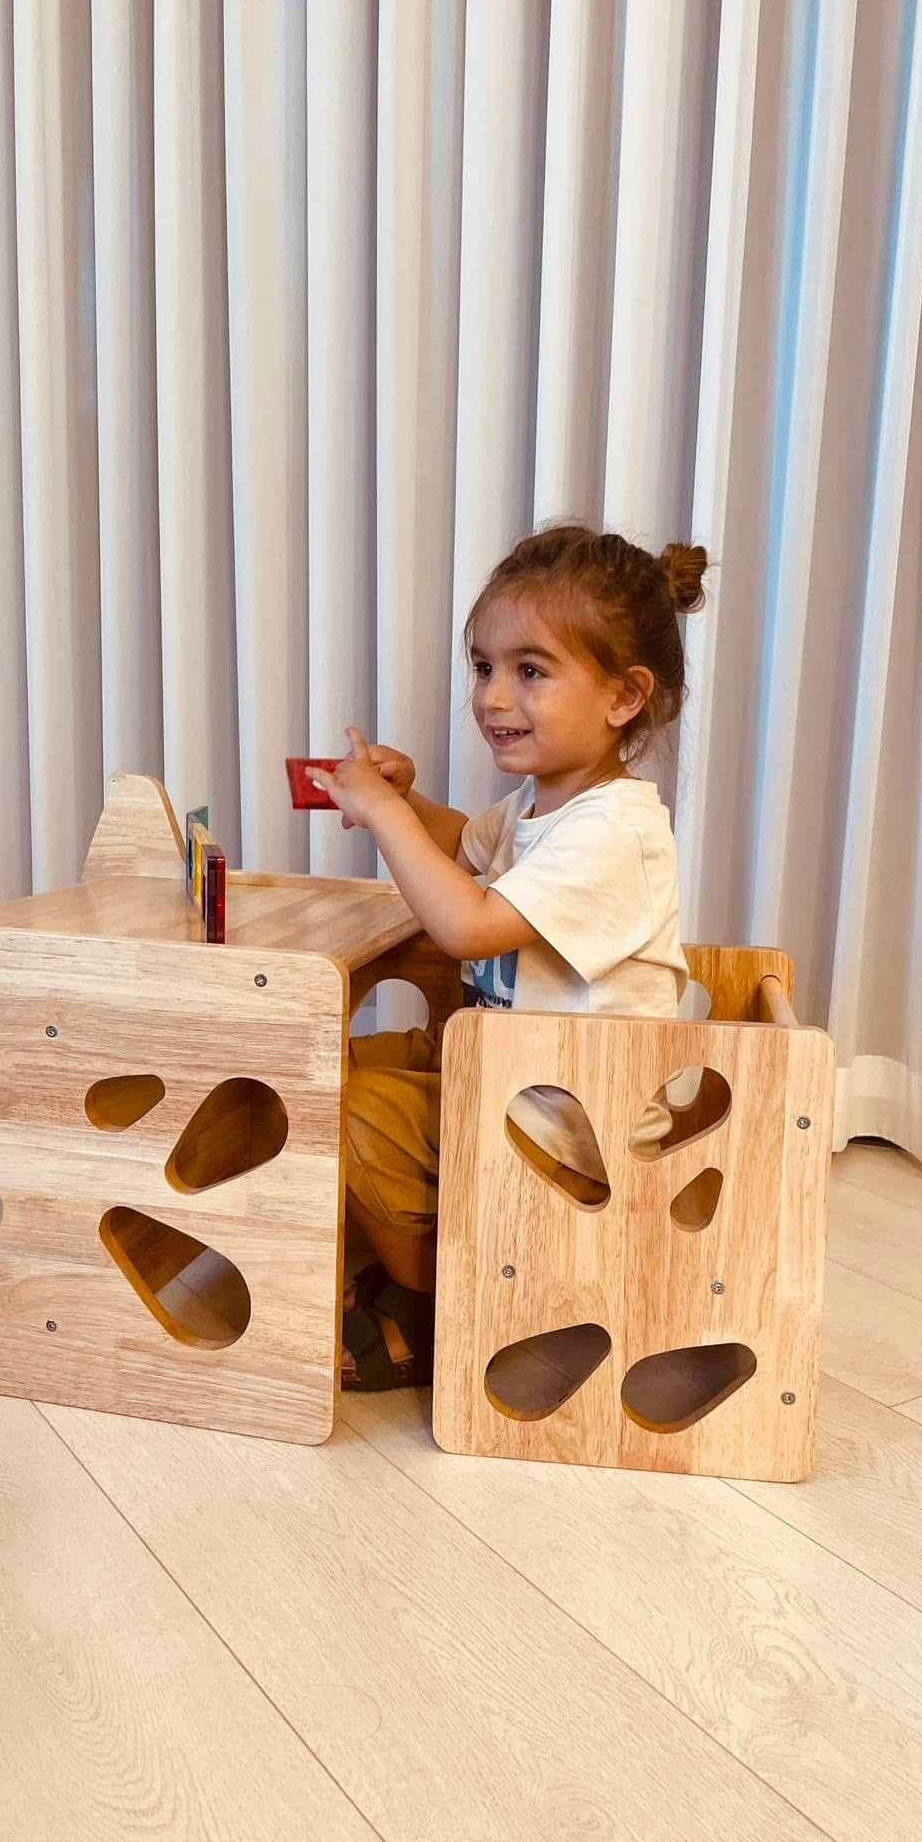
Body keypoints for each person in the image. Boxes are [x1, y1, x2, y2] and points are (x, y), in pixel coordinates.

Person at [315, 524, 709, 1388]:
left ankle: (428, 1305)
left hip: (576, 1127)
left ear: (624, 697)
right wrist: (409, 796)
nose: (494, 696)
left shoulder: (614, 830)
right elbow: (464, 845)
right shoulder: (541, 804)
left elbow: (469, 926)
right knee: (327, 1068)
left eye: (530, 671)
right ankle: (385, 1250)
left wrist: (382, 816)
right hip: (512, 1074)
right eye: (484, 667)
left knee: (350, 1109)